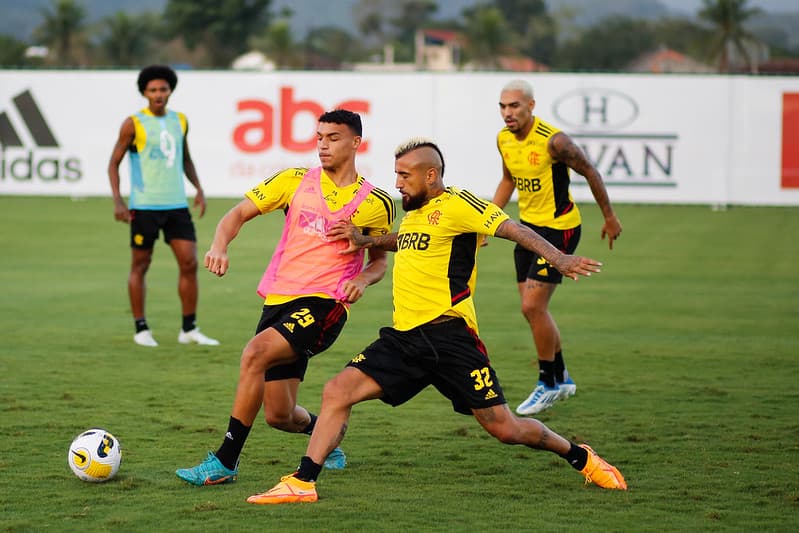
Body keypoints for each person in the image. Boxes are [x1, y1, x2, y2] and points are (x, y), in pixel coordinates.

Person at [246, 137, 626, 504]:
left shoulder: (460, 205)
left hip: (451, 339)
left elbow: (514, 229)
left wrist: (558, 258)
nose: (397, 184)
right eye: (396, 175)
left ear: (431, 175)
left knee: (506, 429)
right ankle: (302, 482)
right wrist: (367, 240)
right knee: (337, 391)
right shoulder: (415, 214)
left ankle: (582, 457)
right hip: (404, 339)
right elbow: (407, 240)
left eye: (404, 176)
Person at [175, 109, 396, 486]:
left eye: (334, 138)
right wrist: (219, 244)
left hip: (325, 305)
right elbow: (237, 214)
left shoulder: (376, 201)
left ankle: (224, 462)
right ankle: (324, 436)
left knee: (254, 353)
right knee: (279, 414)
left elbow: (379, 261)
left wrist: (363, 278)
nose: (323, 145)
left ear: (356, 142)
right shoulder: (294, 180)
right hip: (279, 300)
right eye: (320, 137)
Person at [492, 79, 623, 415]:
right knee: (533, 309)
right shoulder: (504, 139)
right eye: (503, 106)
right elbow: (509, 179)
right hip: (527, 230)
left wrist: (609, 217)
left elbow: (590, 171)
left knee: (532, 308)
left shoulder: (555, 142)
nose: (508, 113)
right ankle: (562, 377)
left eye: (515, 106)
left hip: (560, 230)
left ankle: (547, 383)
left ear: (531, 106)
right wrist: (489, 219)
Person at [108, 64, 219, 348]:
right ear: (144, 93)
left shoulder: (180, 120)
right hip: (144, 206)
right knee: (141, 265)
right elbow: (113, 163)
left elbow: (185, 158)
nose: (158, 94)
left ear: (170, 91)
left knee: (190, 263)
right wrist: (119, 200)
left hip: (176, 206)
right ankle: (141, 329)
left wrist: (199, 188)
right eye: (153, 90)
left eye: (163, 89)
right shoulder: (132, 123)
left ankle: (189, 329)